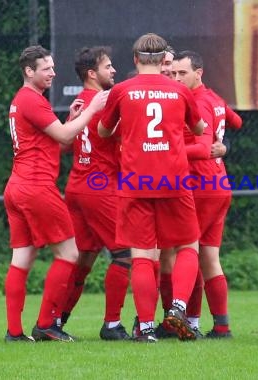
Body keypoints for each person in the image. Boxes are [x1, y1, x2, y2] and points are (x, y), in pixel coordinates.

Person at [98, 33, 206, 343]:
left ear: (135, 59)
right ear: (162, 61)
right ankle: (178, 308)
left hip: (136, 179)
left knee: (142, 255)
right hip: (174, 178)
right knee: (188, 246)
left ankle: (145, 328)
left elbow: (104, 130)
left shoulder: (121, 90)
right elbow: (198, 129)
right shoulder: (179, 90)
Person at [3, 45, 108, 342]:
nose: (53, 73)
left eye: (52, 66)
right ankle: (47, 324)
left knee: (22, 259)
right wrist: (91, 109)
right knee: (69, 253)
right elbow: (63, 137)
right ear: (29, 71)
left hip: (17, 186)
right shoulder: (32, 100)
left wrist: (71, 118)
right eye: (46, 68)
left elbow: (56, 143)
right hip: (36, 188)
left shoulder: (23, 101)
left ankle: (14, 332)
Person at [60, 46, 134, 341]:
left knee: (82, 260)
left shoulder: (79, 101)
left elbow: (64, 144)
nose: (113, 70)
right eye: (108, 66)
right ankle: (112, 325)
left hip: (77, 186)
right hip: (99, 187)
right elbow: (126, 139)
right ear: (92, 73)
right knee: (124, 255)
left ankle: (55, 320)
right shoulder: (104, 102)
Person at [171, 50, 243, 338]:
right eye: (173, 73)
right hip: (219, 184)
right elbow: (235, 123)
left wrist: (166, 153)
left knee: (187, 252)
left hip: (200, 186)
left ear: (198, 73)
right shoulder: (214, 98)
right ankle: (222, 326)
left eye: (182, 73)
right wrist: (223, 144)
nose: (176, 78)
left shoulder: (198, 101)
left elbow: (202, 148)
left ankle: (192, 320)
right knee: (208, 257)